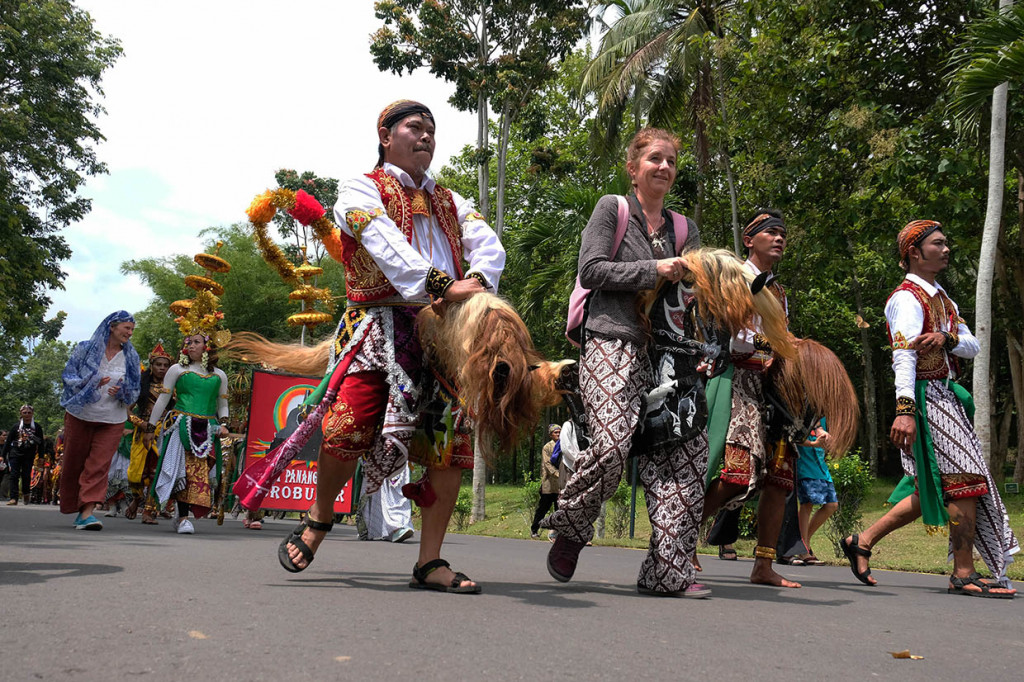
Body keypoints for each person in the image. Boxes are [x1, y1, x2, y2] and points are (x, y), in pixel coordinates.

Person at [233, 99, 504, 593]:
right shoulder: (359, 189)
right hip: (378, 325)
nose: (425, 137)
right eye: (414, 127)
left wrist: (478, 282)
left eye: (431, 130)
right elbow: (382, 242)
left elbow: (487, 243)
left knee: (448, 444)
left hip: (446, 330)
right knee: (350, 421)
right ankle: (318, 518)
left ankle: (430, 561)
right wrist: (440, 283)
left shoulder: (453, 200)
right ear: (385, 135)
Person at [541, 128, 709, 598]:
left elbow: (692, 296)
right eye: (655, 158)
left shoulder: (683, 228)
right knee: (613, 446)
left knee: (685, 459)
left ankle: (666, 572)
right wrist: (650, 270)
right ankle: (572, 528)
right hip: (611, 340)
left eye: (672, 161)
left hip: (670, 354)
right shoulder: (612, 210)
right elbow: (591, 270)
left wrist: (704, 349)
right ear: (633, 169)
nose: (665, 167)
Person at [841, 220, 1018, 597]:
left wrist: (947, 336)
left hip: (945, 395)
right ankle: (963, 571)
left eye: (946, 243)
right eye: (938, 244)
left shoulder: (944, 299)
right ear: (914, 254)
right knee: (963, 481)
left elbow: (972, 345)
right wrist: (904, 410)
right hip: (924, 398)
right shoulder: (906, 299)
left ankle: (863, 539)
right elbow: (903, 357)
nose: (946, 248)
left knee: (936, 486)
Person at [701, 209, 802, 588]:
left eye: (782, 234)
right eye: (770, 232)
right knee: (733, 475)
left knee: (780, 478)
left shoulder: (779, 291)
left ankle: (763, 566)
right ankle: (678, 538)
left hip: (771, 389)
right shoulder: (733, 278)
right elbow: (729, 337)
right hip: (736, 380)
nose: (778, 239)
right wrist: (774, 344)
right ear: (749, 239)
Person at [59, 311, 142, 530]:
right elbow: (69, 377)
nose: (130, 333)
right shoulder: (85, 349)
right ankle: (73, 504)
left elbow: (135, 390)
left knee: (99, 465)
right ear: (112, 326)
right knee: (73, 463)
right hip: (80, 415)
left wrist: (122, 391)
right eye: (126, 328)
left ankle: (87, 513)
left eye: (132, 329)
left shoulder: (131, 357)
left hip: (112, 419)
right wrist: (92, 381)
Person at [145, 334, 230, 535]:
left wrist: (224, 423)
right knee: (183, 471)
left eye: (196, 342)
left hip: (208, 429)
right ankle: (183, 517)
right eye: (188, 342)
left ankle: (182, 516)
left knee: (200, 475)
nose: (190, 345)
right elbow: (163, 399)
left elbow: (223, 403)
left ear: (207, 347)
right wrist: (150, 426)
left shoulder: (220, 375)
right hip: (181, 426)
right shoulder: (177, 370)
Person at [124, 344, 174, 524]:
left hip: (164, 431)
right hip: (142, 431)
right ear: (151, 365)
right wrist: (143, 424)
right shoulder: (141, 386)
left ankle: (149, 510)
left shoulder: (173, 388)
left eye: (165, 365)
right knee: (136, 473)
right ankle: (137, 499)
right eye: (158, 364)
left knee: (156, 470)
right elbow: (127, 411)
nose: (162, 368)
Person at [793, 418, 837, 565]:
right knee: (807, 504)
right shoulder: (805, 411)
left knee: (832, 505)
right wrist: (812, 443)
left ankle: (803, 542)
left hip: (820, 466)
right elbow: (794, 437)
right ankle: (803, 549)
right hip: (805, 463)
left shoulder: (822, 417)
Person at [2, 405, 45, 505]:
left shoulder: (37, 427)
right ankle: (14, 498)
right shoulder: (16, 427)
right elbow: (8, 442)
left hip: (29, 455)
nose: (27, 415)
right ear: (21, 414)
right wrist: (2, 455)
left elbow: (41, 443)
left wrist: (41, 457)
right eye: (24, 413)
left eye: (29, 413)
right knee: (14, 475)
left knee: (26, 475)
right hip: (15, 454)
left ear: (32, 414)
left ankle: (26, 494)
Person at [531, 424, 561, 540]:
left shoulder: (564, 445)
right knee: (543, 508)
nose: (558, 434)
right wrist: (557, 473)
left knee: (559, 509)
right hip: (549, 483)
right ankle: (534, 529)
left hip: (560, 484)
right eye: (555, 433)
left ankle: (556, 532)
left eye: (559, 432)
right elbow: (547, 464)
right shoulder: (547, 447)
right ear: (550, 435)